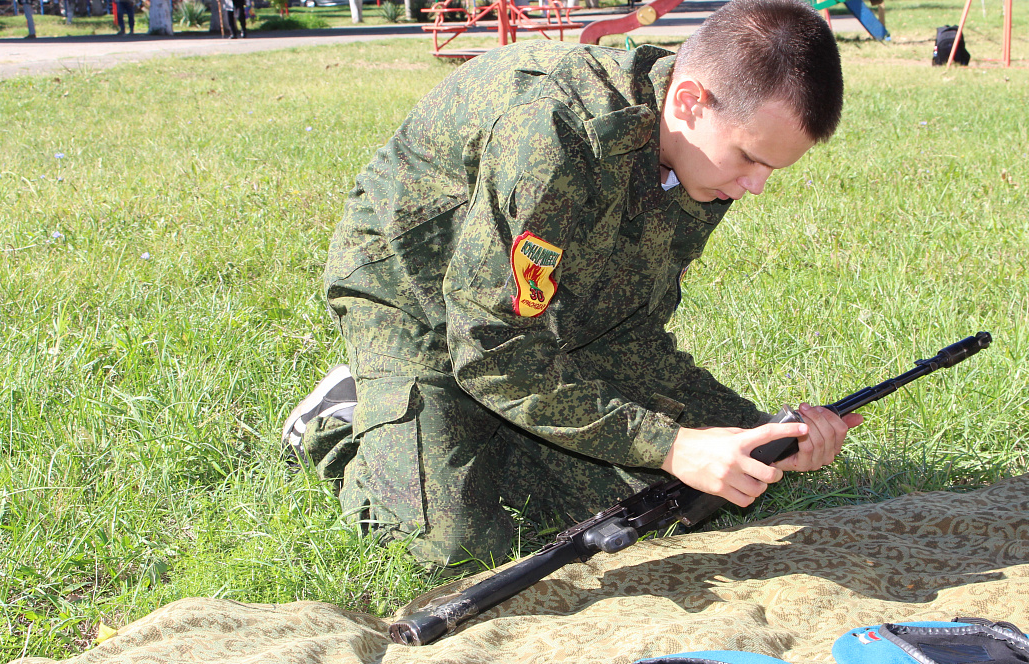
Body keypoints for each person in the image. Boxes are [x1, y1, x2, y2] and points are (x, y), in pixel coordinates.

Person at [282, 0, 862, 568]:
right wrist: (672, 445)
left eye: (771, 169)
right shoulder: (556, 132)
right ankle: (343, 418)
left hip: (529, 311)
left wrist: (768, 440)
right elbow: (491, 346)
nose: (756, 186)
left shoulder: (701, 158)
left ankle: (481, 432)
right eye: (750, 159)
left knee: (719, 479)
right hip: (412, 293)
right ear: (690, 101)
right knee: (451, 546)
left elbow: (627, 329)